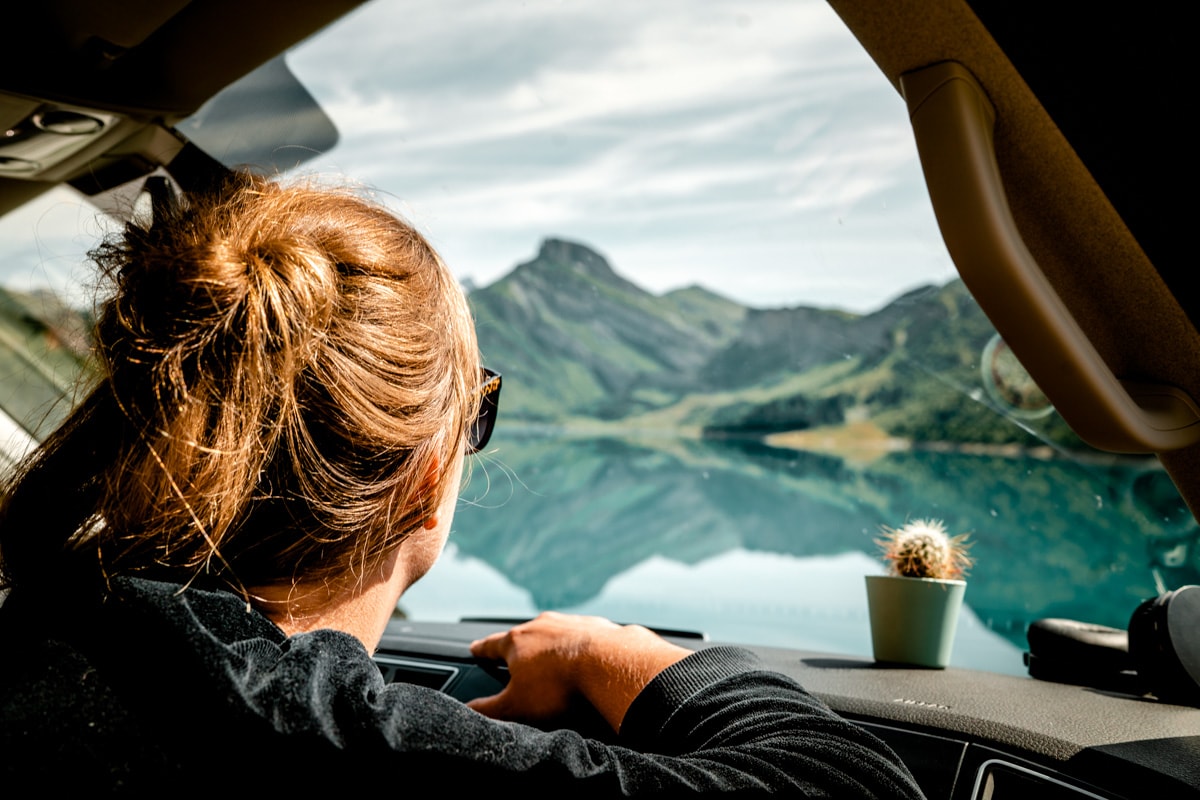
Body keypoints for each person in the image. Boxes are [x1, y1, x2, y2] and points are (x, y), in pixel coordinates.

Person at [0, 174, 924, 797]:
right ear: (427, 474)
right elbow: (861, 784)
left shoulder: (49, 618)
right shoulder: (295, 729)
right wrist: (625, 657)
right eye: (474, 411)